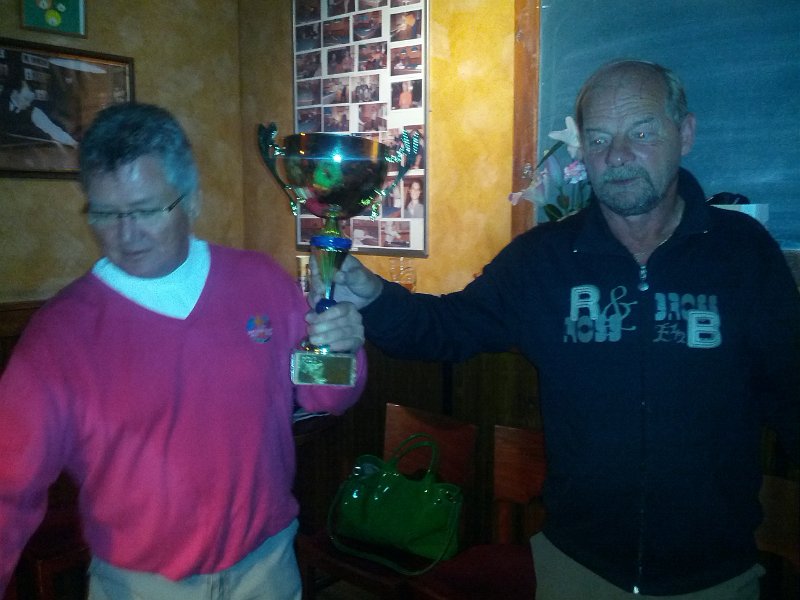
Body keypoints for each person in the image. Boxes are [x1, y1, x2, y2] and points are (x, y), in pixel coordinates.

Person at [313, 60, 800, 598]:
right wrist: (375, 296)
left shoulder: (744, 254)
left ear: (684, 134)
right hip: (574, 567)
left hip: (716, 577)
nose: (618, 155)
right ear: (583, 151)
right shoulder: (542, 260)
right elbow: (447, 327)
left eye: (641, 133)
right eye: (599, 139)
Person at [0, 102, 367, 599]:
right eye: (105, 213)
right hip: (139, 586)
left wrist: (340, 347)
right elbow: (7, 487)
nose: (126, 233)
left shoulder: (259, 280)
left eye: (146, 210)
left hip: (267, 569)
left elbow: (324, 397)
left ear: (191, 200)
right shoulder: (59, 335)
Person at [0, 78, 79, 147]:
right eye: (26, 99)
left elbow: (51, 129)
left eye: (30, 101)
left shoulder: (33, 111)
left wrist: (72, 142)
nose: (28, 104)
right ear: (14, 93)